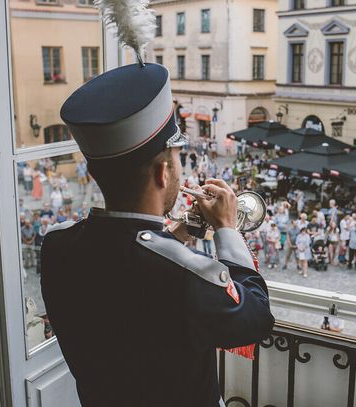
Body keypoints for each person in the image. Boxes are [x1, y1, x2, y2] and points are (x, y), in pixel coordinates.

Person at [41, 59, 274, 407]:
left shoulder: (57, 245)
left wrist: (179, 234)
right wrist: (226, 227)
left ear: (93, 171)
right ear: (164, 172)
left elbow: (124, 273)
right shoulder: (185, 274)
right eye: (179, 158)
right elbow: (255, 317)